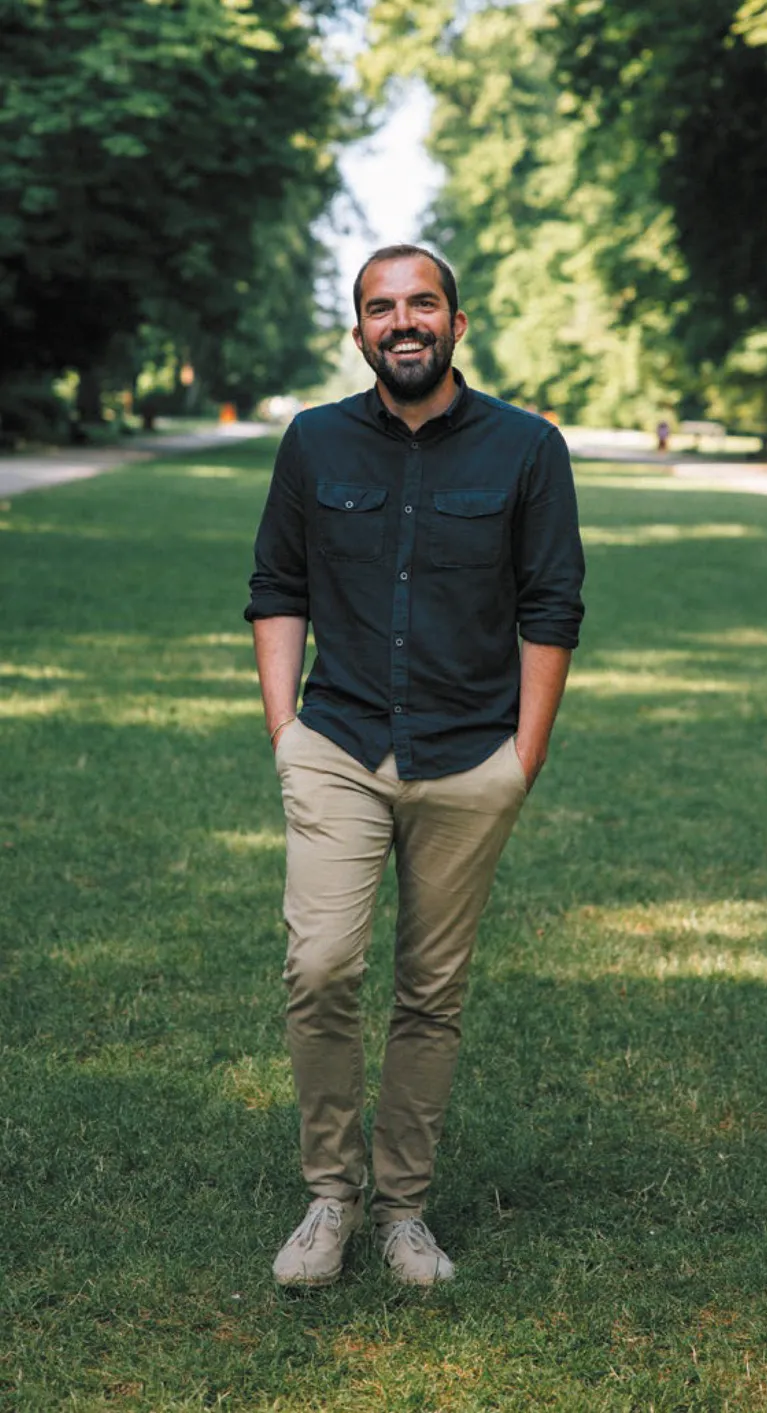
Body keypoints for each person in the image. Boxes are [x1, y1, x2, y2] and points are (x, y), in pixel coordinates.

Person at [244, 243, 585, 1288]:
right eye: (380, 308)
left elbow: (551, 604)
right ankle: (327, 1198)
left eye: (421, 304)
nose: (403, 322)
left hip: (467, 756)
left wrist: (518, 760)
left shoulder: (527, 449)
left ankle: (401, 1212)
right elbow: (276, 584)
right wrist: (282, 731)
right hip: (338, 745)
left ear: (455, 322)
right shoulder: (312, 443)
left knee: (431, 992)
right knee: (320, 966)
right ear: (357, 332)